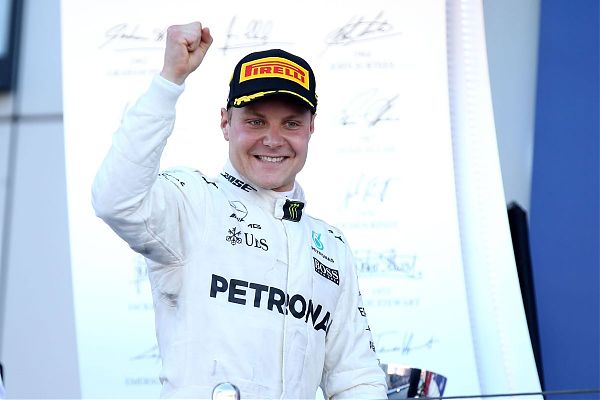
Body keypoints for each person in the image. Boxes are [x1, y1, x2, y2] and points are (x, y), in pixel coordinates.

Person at [92, 21, 387, 399]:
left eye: (291, 123)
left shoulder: (331, 245)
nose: (273, 140)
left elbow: (355, 376)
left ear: (311, 128)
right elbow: (116, 200)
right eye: (255, 121)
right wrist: (169, 80)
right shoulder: (194, 202)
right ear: (225, 123)